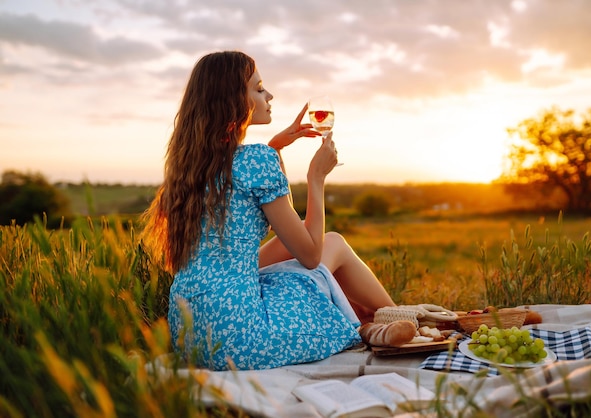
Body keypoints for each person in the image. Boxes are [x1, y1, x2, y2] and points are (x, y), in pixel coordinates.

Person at [141, 50, 402, 371]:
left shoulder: (188, 168)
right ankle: (405, 321)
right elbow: (309, 254)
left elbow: (237, 248)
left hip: (193, 339)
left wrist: (274, 149)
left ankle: (398, 318)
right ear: (234, 99)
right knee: (329, 247)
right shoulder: (254, 161)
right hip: (244, 340)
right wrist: (316, 178)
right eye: (259, 88)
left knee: (327, 244)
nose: (270, 95)